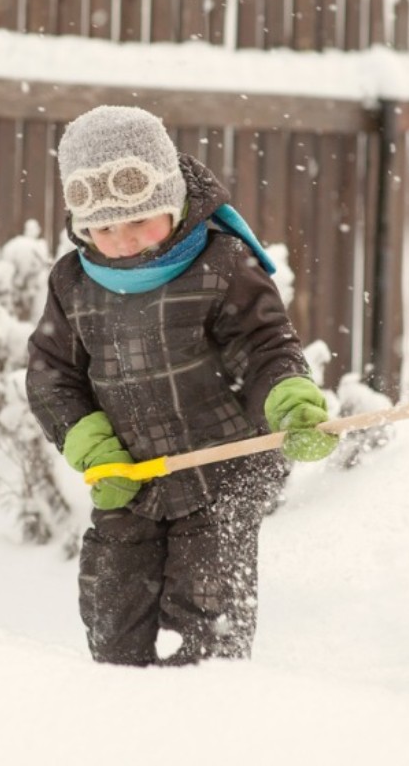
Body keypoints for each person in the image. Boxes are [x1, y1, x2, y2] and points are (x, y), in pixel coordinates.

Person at [26, 105, 338, 666]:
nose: (121, 241)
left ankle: (203, 711)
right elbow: (52, 375)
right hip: (132, 478)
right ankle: (117, 717)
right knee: (113, 608)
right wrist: (93, 445)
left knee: (206, 608)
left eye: (139, 220)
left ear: (172, 201)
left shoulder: (222, 265)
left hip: (222, 472)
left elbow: (264, 347)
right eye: (102, 228)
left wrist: (288, 399)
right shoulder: (72, 283)